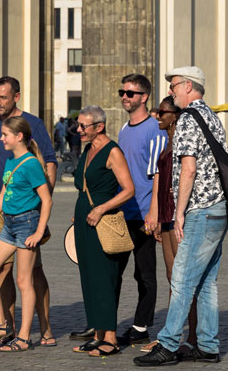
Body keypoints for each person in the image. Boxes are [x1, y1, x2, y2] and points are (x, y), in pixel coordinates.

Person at [135, 67, 228, 367]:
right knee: (206, 282)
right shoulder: (212, 117)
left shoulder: (189, 119)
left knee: (182, 278)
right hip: (219, 208)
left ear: (189, 86)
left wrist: (178, 215)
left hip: (200, 209)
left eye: (174, 85)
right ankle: (208, 345)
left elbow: (188, 168)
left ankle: (168, 343)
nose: (171, 91)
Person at [0, 76, 57, 346]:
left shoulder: (31, 149)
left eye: (3, 97)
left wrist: (38, 226)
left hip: (26, 221)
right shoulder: (6, 153)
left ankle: (29, 334)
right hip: (5, 219)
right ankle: (3, 326)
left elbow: (47, 192)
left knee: (28, 278)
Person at [69, 105, 136, 357]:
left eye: (83, 126)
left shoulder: (112, 151)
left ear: (99, 126)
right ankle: (98, 334)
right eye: (79, 125)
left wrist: (100, 209)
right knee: (88, 278)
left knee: (104, 279)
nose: (78, 130)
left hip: (102, 222)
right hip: (84, 222)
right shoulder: (88, 149)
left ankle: (110, 338)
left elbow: (129, 190)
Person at [114, 73, 168, 347]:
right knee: (114, 271)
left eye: (130, 93)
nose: (125, 96)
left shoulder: (155, 130)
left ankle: (141, 326)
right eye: (122, 92)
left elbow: (159, 173)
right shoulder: (124, 129)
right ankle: (105, 325)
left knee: (145, 273)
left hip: (145, 214)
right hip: (122, 214)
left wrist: (154, 214)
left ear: (144, 97)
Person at [142, 97, 197, 357]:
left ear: (175, 115)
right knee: (172, 278)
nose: (157, 116)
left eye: (162, 112)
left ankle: (193, 336)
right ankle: (171, 334)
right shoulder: (166, 143)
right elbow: (159, 179)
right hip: (165, 214)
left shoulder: (183, 142)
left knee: (184, 280)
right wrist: (154, 214)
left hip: (178, 215)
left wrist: (179, 214)